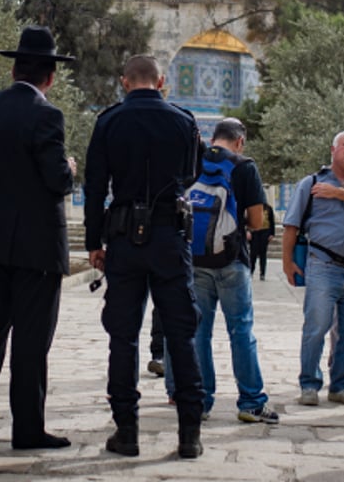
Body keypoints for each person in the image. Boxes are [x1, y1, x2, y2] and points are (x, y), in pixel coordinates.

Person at [0, 26, 77, 450]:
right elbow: (56, 180)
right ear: (50, 77)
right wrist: (72, 169)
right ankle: (27, 428)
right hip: (35, 249)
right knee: (30, 340)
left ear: (14, 71)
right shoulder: (47, 115)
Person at [84, 54, 205, 460]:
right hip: (170, 238)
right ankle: (189, 434)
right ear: (162, 80)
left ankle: (127, 430)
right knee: (181, 334)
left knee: (123, 336)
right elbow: (190, 174)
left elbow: (96, 185)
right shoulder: (184, 121)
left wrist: (93, 241)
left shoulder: (109, 121)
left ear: (124, 81)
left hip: (122, 239)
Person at [169, 117, 278, 424]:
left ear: (214, 136)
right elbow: (257, 223)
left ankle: (201, 401)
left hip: (197, 261)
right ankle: (251, 402)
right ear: (240, 141)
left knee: (199, 332)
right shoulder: (244, 167)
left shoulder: (194, 164)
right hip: (232, 261)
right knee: (241, 330)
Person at [281, 130, 344, 407]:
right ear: (333, 150)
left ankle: (341, 385)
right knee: (316, 327)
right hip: (323, 266)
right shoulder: (311, 183)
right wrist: (288, 262)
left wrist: (336, 193)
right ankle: (309, 384)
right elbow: (291, 225)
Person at [249, 203, 275, 281]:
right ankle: (251, 271)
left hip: (265, 232)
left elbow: (271, 221)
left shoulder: (268, 208)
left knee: (263, 254)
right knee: (253, 253)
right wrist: (248, 231)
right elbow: (248, 220)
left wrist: (272, 234)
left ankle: (262, 273)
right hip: (254, 231)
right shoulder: (253, 207)